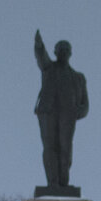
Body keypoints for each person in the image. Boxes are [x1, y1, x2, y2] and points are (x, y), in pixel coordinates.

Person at [34, 29, 88, 191]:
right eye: (60, 50)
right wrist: (38, 45)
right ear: (55, 52)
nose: (63, 53)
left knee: (65, 148)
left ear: (70, 53)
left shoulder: (78, 77)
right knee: (50, 147)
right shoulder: (49, 68)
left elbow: (85, 103)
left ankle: (63, 182)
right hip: (49, 113)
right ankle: (53, 182)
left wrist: (79, 112)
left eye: (66, 50)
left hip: (68, 116)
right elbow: (41, 58)